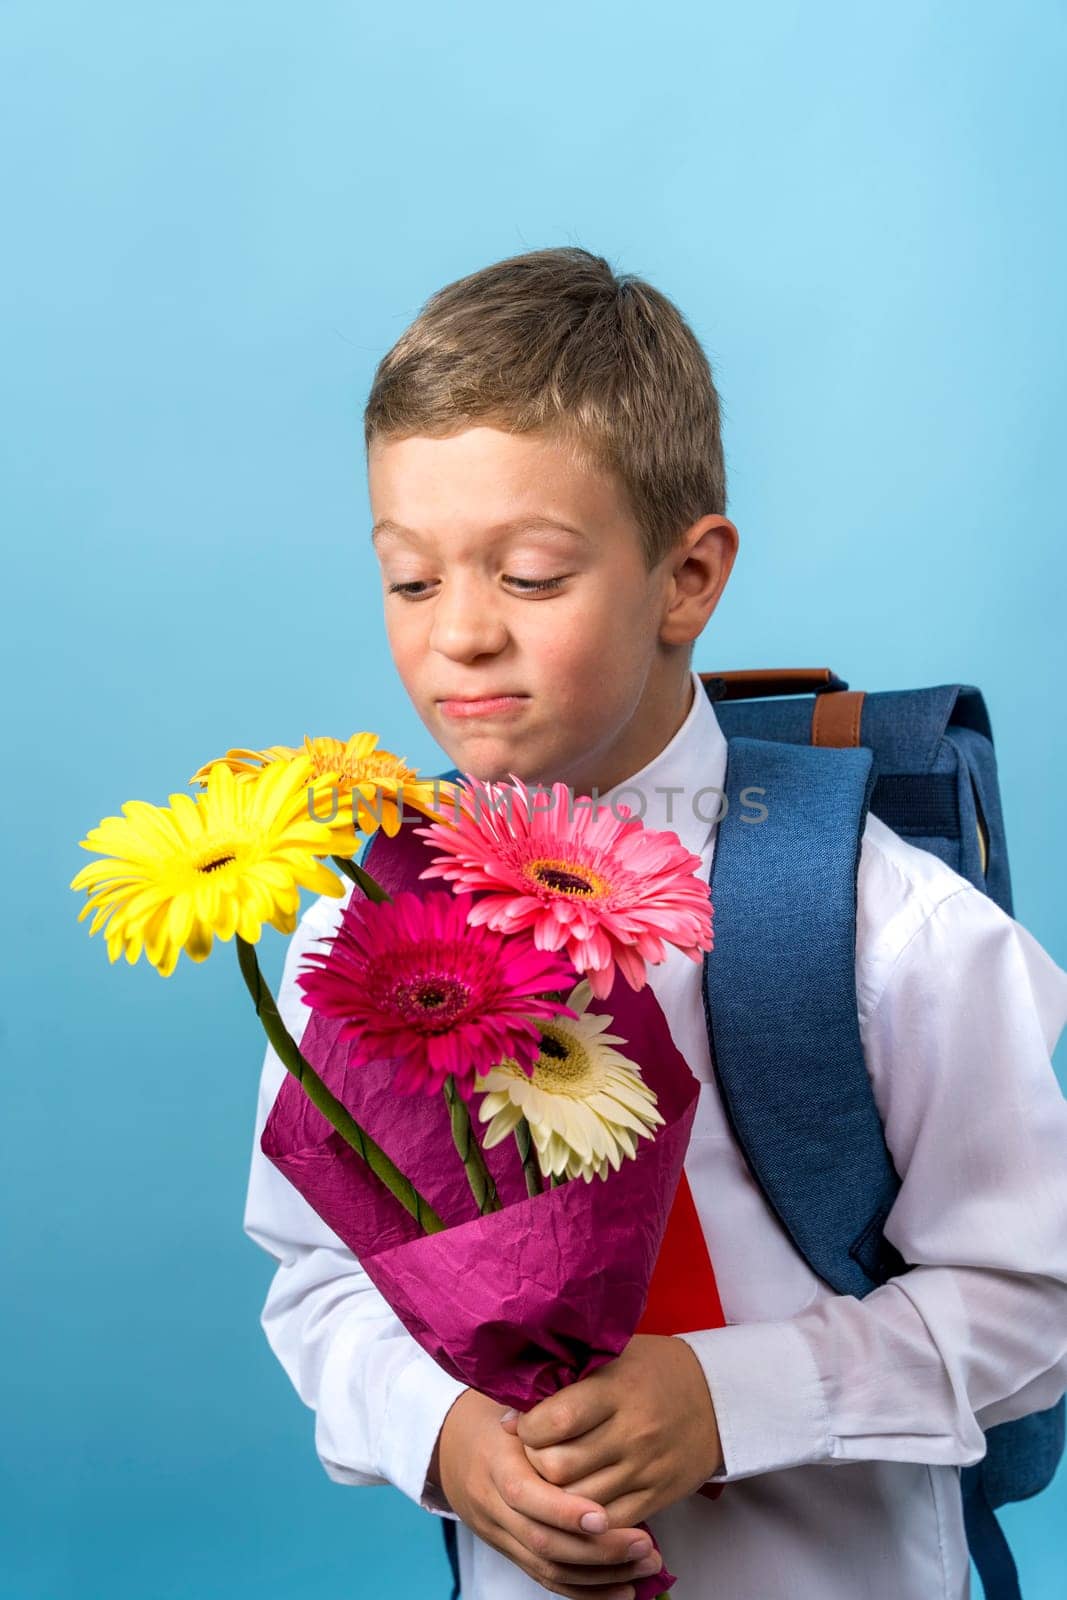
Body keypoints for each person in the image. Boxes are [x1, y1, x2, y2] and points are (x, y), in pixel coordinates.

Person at [242, 246, 1067, 1600]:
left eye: (529, 575)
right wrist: (443, 1438)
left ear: (687, 578)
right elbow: (317, 1277)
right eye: (411, 581)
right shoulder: (364, 913)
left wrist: (731, 1395)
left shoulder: (871, 912)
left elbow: (1036, 1296)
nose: (460, 637)